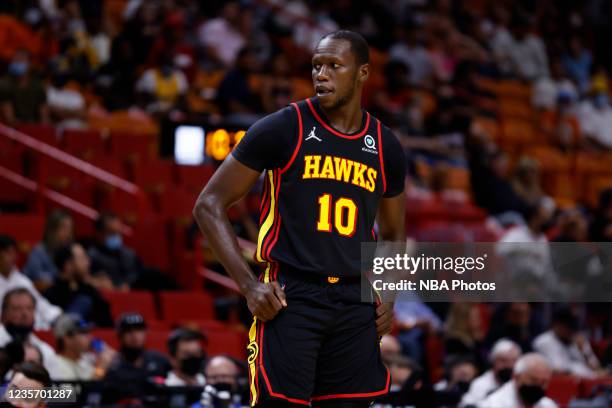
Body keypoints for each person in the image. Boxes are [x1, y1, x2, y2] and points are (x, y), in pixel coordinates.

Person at [194, 30, 406, 407]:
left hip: (353, 299)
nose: (321, 74)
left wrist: (388, 294)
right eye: (316, 66)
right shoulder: (284, 126)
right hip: (291, 296)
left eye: (333, 66)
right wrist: (248, 286)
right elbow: (208, 204)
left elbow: (392, 233)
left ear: (362, 73)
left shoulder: (385, 145)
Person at [44, 243, 113, 327]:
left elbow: (107, 325)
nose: (88, 263)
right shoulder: (52, 295)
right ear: (68, 265)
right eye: (82, 258)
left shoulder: (91, 292)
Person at [0, 235, 61, 330]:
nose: (12, 257)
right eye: (7, 253)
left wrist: (58, 316)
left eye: (14, 253)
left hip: (34, 329)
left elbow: (41, 304)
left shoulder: (22, 281)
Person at [0, 288, 58, 376]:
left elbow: (54, 386)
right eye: (17, 308)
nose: (25, 314)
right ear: (3, 313)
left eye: (29, 308)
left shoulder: (46, 351)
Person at [532, 307, 601, 378]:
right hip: (564, 383)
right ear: (556, 325)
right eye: (567, 327)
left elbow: (596, 368)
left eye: (572, 327)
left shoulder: (578, 340)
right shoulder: (543, 341)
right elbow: (555, 370)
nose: (570, 331)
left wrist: (584, 351)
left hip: (588, 381)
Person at [479, 353, 557, 408]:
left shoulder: (547, 404)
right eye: (534, 380)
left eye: (544, 382)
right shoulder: (494, 404)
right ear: (516, 377)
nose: (539, 386)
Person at [52, 313, 115, 381]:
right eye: (83, 333)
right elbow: (78, 390)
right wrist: (101, 368)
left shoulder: (88, 359)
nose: (90, 337)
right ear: (67, 339)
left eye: (88, 332)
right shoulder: (57, 365)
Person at [460, 339, 522, 407]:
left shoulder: (522, 384)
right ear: (493, 361)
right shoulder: (480, 384)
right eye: (503, 360)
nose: (509, 365)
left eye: (514, 361)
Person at [23, 210, 74, 289]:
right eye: (64, 228)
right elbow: (33, 275)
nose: (68, 232)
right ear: (52, 229)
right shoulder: (39, 251)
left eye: (70, 228)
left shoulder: (70, 250)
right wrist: (58, 276)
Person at [0, 48, 49, 125]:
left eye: (21, 60)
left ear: (30, 64)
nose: (17, 62)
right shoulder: (4, 84)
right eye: (15, 60)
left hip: (33, 126)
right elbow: (9, 118)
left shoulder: (37, 85)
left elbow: (44, 117)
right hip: (12, 128)